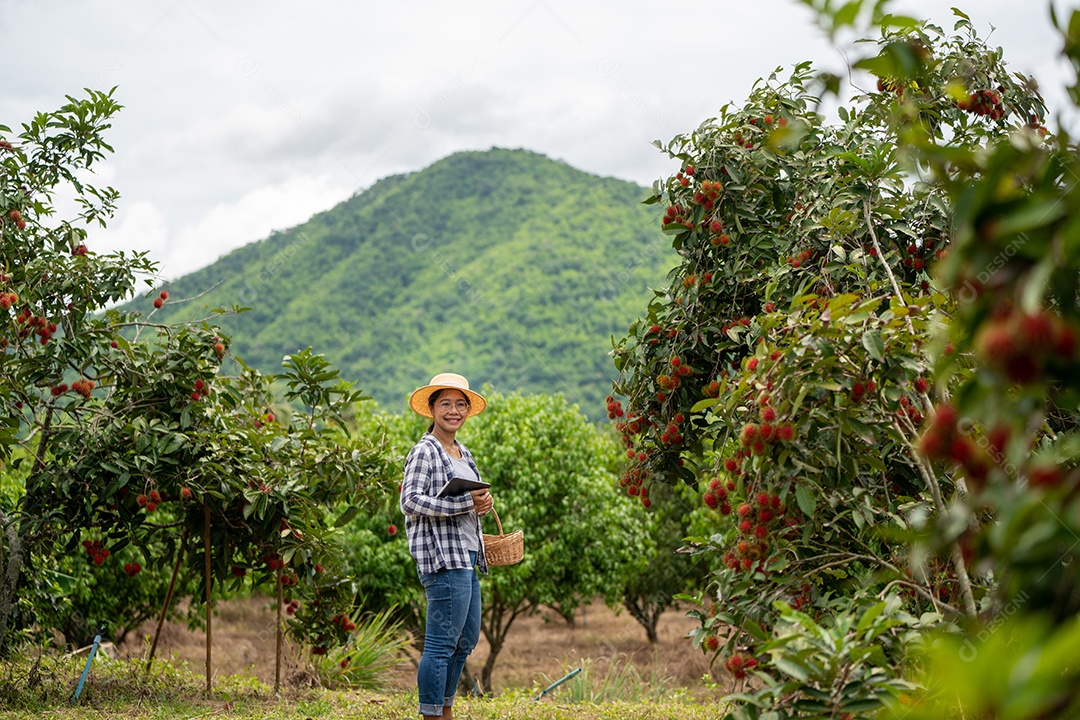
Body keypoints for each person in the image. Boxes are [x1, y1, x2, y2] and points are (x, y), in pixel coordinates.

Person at [400, 372, 493, 720]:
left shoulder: (462, 452)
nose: (453, 411)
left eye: (459, 404)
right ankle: (431, 714)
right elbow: (410, 501)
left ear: (467, 410)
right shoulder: (424, 451)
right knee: (440, 643)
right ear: (432, 409)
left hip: (468, 554)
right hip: (442, 558)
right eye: (445, 404)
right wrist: (463, 504)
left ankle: (445, 709)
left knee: (465, 640)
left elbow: (472, 498)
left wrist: (481, 501)